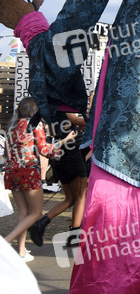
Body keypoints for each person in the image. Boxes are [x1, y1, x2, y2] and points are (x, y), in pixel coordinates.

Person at [3, 97, 75, 261]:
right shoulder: (35, 124)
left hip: (12, 172)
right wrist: (65, 141)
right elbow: (45, 150)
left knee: (23, 212)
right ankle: (6, 243)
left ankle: (21, 251)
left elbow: (7, 152)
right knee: (35, 213)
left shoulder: (12, 126)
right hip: (28, 172)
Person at [28, 108, 90, 249]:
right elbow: (83, 122)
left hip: (59, 156)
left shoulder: (47, 112)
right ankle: (74, 236)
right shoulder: (62, 109)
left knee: (70, 199)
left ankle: (41, 224)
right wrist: (83, 121)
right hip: (72, 155)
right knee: (80, 196)